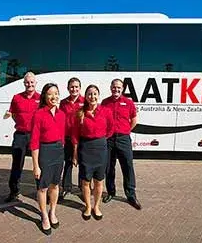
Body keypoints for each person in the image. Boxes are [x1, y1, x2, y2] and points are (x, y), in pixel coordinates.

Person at [72, 85, 113, 220]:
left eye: (95, 94)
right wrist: (75, 154)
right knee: (85, 181)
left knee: (99, 181)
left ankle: (96, 206)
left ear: (98, 95)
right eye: (89, 94)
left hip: (101, 149)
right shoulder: (80, 112)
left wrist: (100, 138)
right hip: (85, 149)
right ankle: (88, 207)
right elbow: (75, 135)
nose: (92, 97)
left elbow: (111, 129)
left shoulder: (106, 111)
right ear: (86, 96)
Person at [30, 83, 65, 236]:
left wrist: (61, 148)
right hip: (44, 152)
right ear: (44, 96)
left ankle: (52, 212)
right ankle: (44, 216)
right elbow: (34, 141)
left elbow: (63, 136)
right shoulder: (38, 114)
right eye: (50, 94)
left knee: (55, 185)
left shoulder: (61, 114)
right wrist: (36, 165)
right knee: (43, 188)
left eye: (56, 93)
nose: (54, 97)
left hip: (58, 152)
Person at [102, 79, 142, 210]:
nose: (116, 89)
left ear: (123, 89)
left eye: (119, 87)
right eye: (114, 87)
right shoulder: (105, 102)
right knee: (109, 167)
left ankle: (131, 195)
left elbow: (134, 120)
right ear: (110, 88)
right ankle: (111, 192)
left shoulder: (129, 103)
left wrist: (125, 131)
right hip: (109, 139)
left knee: (128, 166)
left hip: (123, 138)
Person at [4, 72, 40, 202]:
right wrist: (21, 124)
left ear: (35, 83)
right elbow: (13, 114)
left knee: (39, 165)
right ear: (23, 83)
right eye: (27, 82)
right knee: (17, 165)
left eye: (32, 82)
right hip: (20, 135)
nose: (29, 84)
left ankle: (41, 192)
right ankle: (14, 191)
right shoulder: (16, 98)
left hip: (36, 136)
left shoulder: (41, 98)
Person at [59, 77, 84, 198]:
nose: (74, 89)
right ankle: (66, 187)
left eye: (76, 87)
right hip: (68, 138)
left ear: (80, 88)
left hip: (82, 138)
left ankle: (83, 187)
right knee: (68, 163)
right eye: (72, 87)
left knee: (83, 163)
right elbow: (60, 120)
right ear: (68, 88)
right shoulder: (63, 103)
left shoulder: (85, 101)